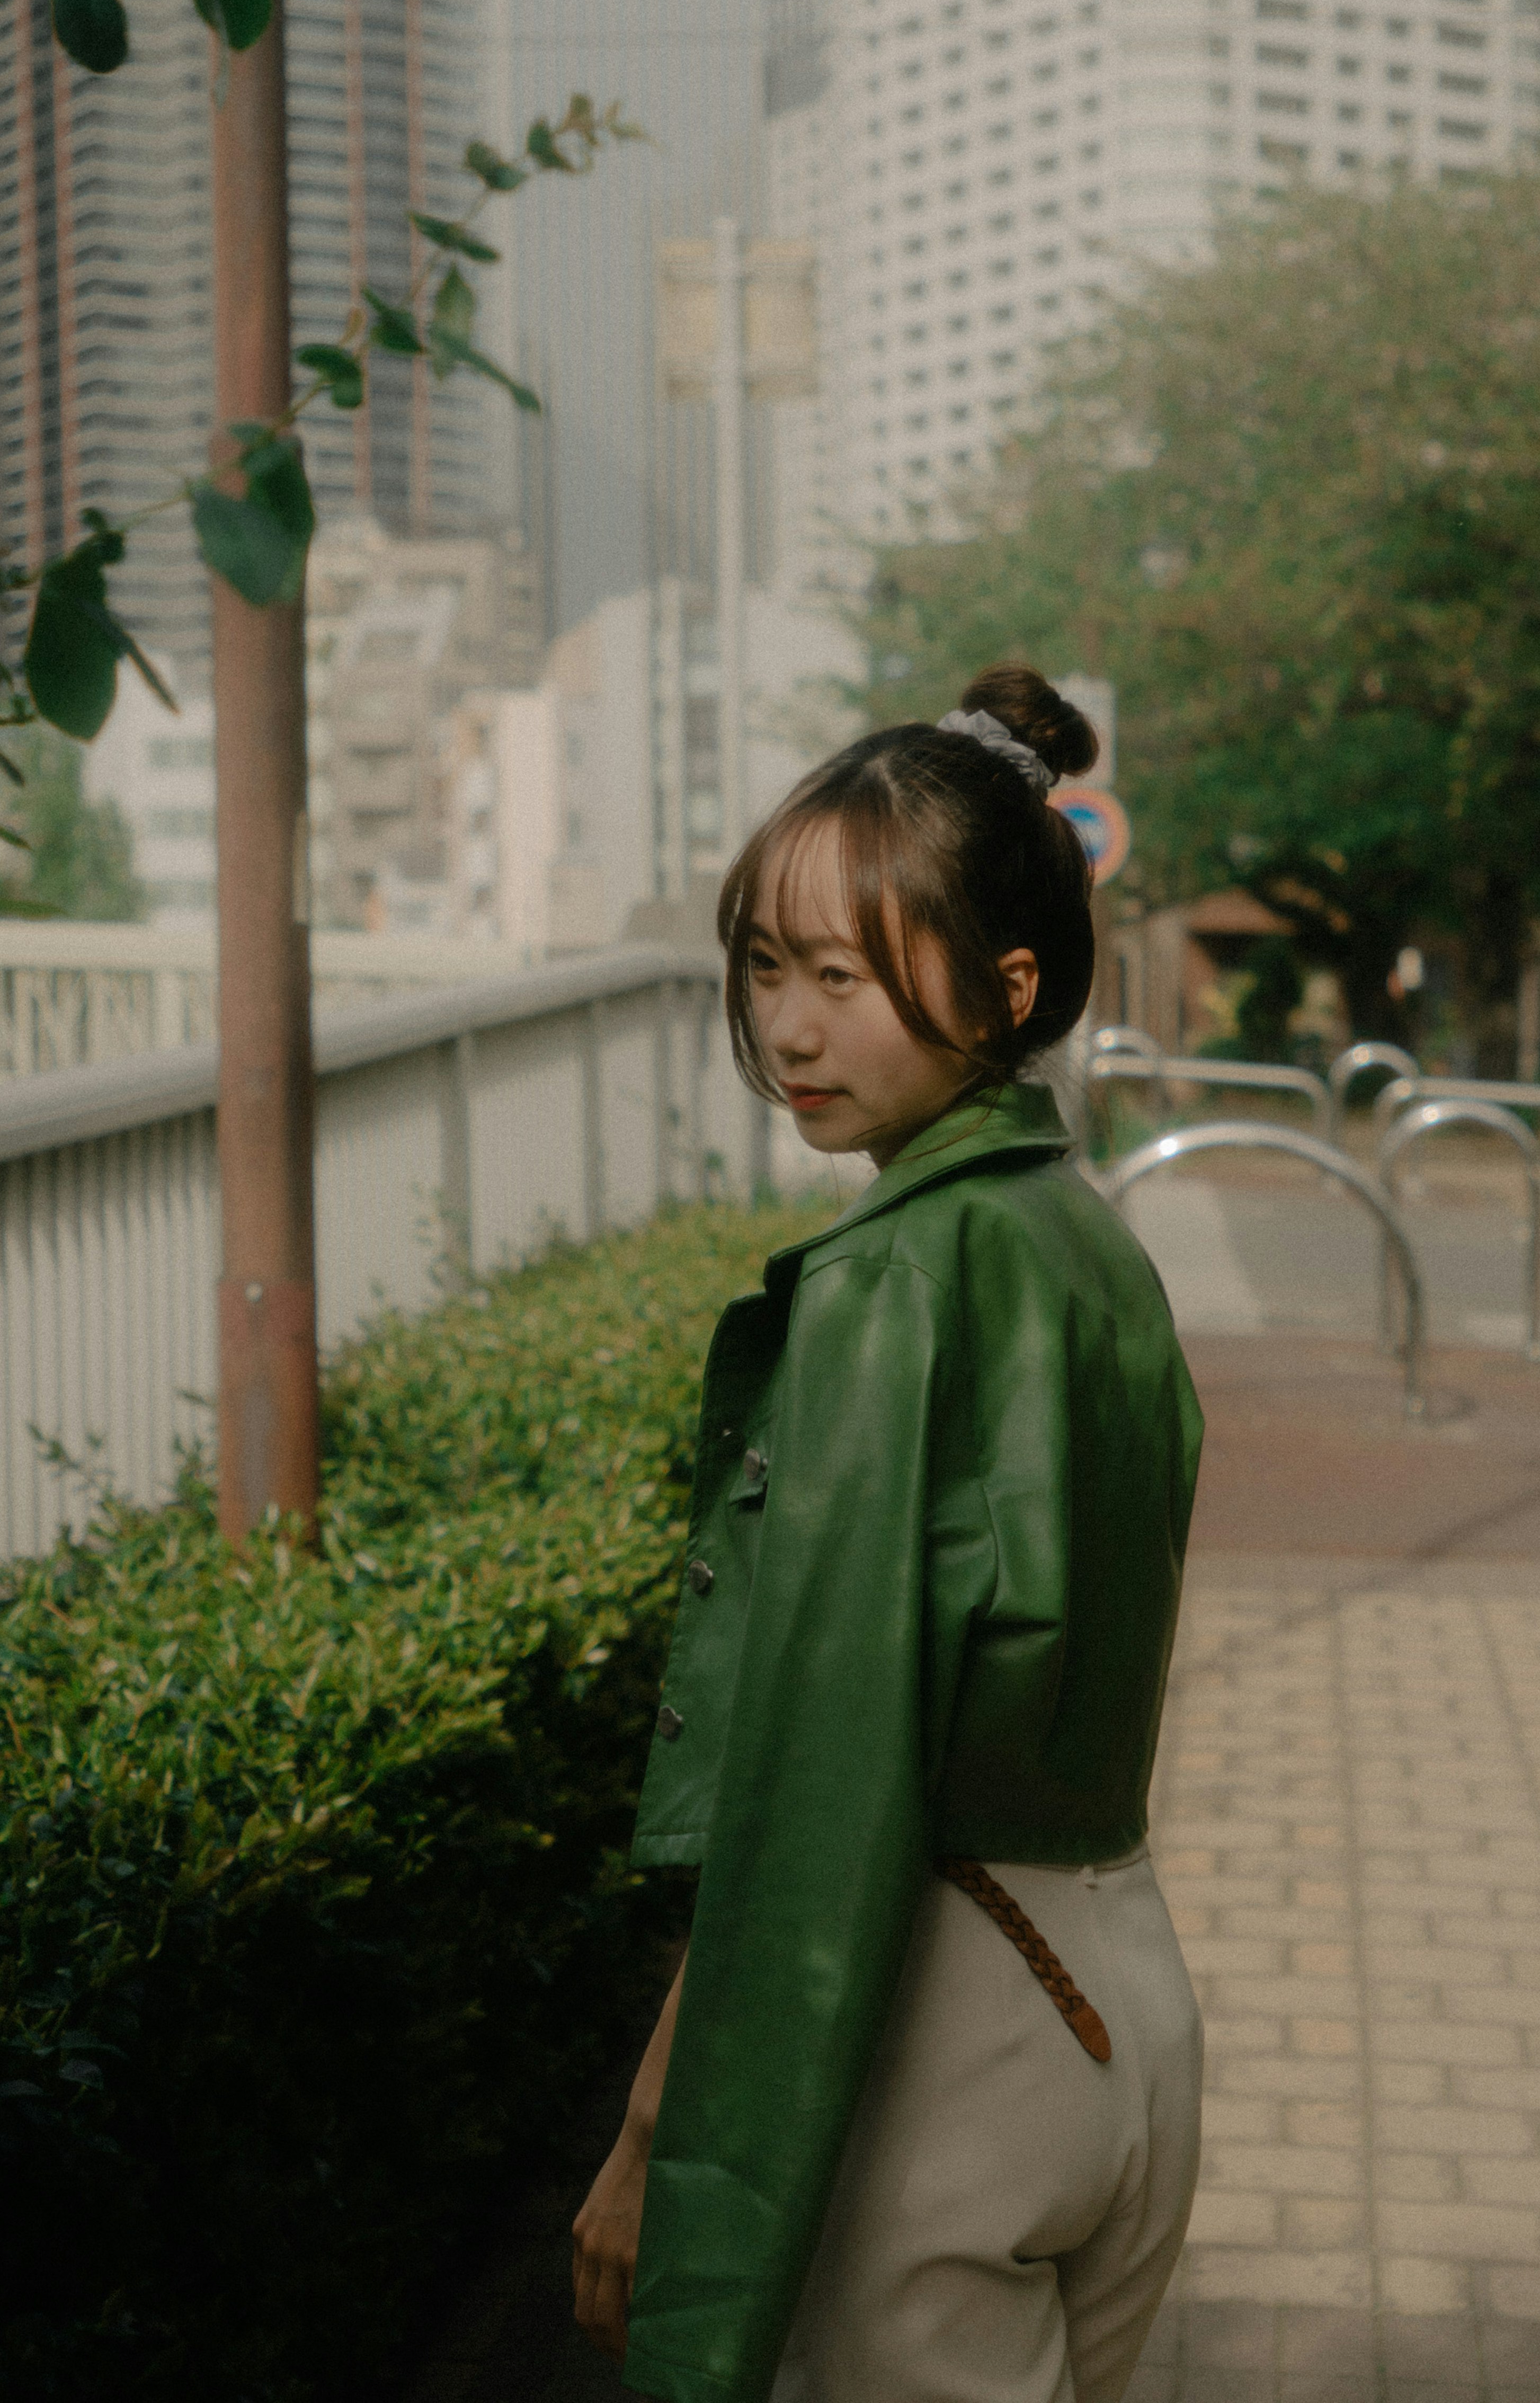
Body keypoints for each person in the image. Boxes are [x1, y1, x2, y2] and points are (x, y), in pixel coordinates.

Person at [571, 665, 1206, 2403]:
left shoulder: (889, 1285)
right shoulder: (1091, 1247)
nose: (787, 1028)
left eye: (841, 976)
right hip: (1120, 1984)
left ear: (1011, 989)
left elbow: (820, 1785)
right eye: (765, 968)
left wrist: (653, 2130)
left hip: (948, 2018)